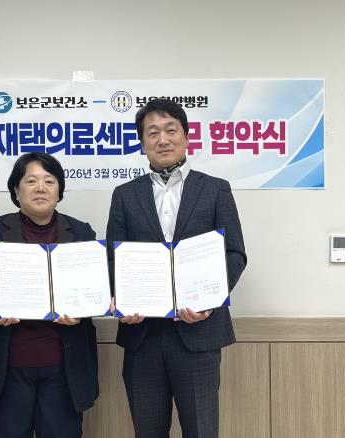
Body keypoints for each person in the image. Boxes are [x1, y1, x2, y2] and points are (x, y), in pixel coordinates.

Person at [106, 98, 247, 438]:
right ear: (142, 143)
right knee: (148, 431)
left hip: (199, 333)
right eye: (152, 132)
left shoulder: (215, 189)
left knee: (201, 430)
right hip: (143, 336)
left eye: (171, 130)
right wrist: (122, 301)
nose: (163, 139)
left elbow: (234, 254)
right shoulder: (125, 195)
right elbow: (114, 258)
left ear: (186, 137)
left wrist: (208, 301)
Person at [0, 152, 99, 438]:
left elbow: (97, 286)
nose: (41, 188)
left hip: (64, 367)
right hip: (8, 367)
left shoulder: (81, 232)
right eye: (31, 181)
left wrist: (83, 311)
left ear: (59, 191)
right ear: (16, 190)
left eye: (49, 181)